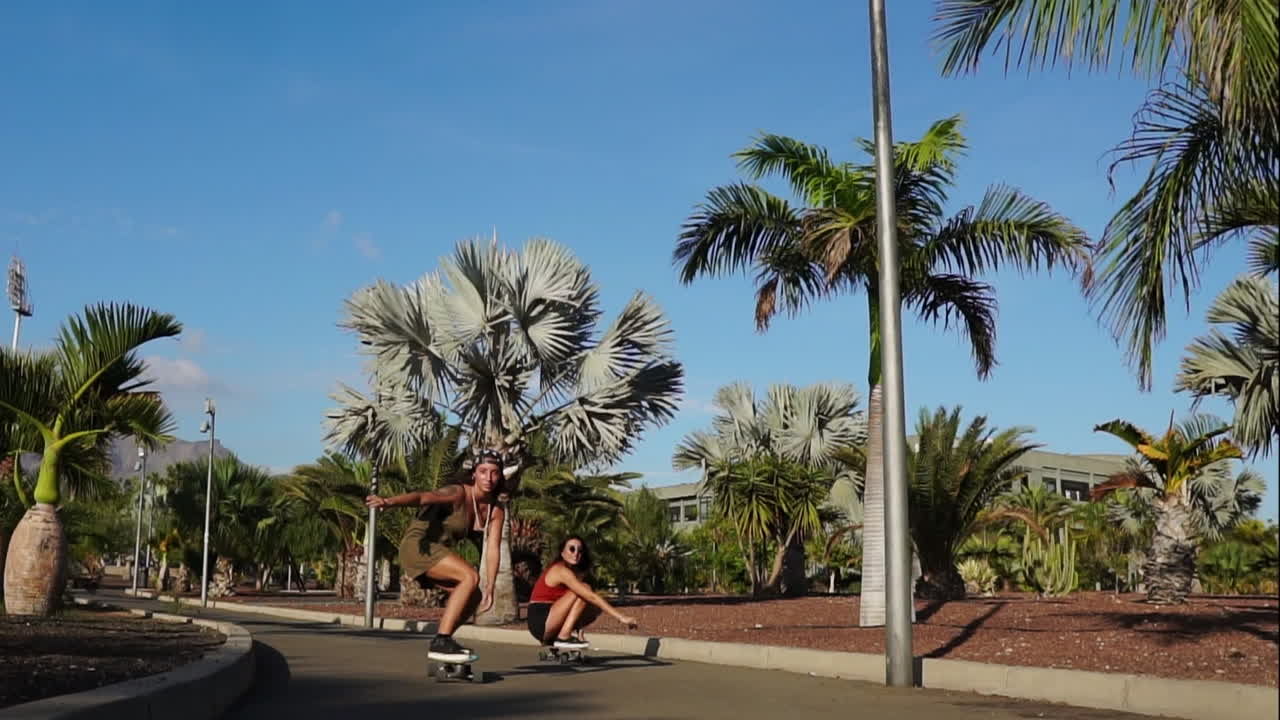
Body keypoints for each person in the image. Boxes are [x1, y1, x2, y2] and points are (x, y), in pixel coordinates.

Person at [365, 449, 506, 663]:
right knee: (470, 576)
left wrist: (490, 587)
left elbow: (493, 548)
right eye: (483, 471)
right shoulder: (458, 493)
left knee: (474, 595)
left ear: (500, 476)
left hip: (439, 553)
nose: (488, 478)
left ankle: (443, 639)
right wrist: (389, 502)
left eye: (494, 472)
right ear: (474, 474)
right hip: (418, 546)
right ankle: (442, 640)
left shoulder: (496, 510)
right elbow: (423, 496)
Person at [527, 535, 638, 649]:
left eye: (580, 551)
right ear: (562, 552)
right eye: (571, 549)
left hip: (550, 618)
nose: (576, 553)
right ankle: (563, 636)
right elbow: (589, 596)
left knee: (595, 608)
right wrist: (621, 617)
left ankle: (558, 638)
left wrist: (579, 628)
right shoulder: (560, 570)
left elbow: (578, 605)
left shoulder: (573, 572)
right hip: (540, 617)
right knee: (586, 590)